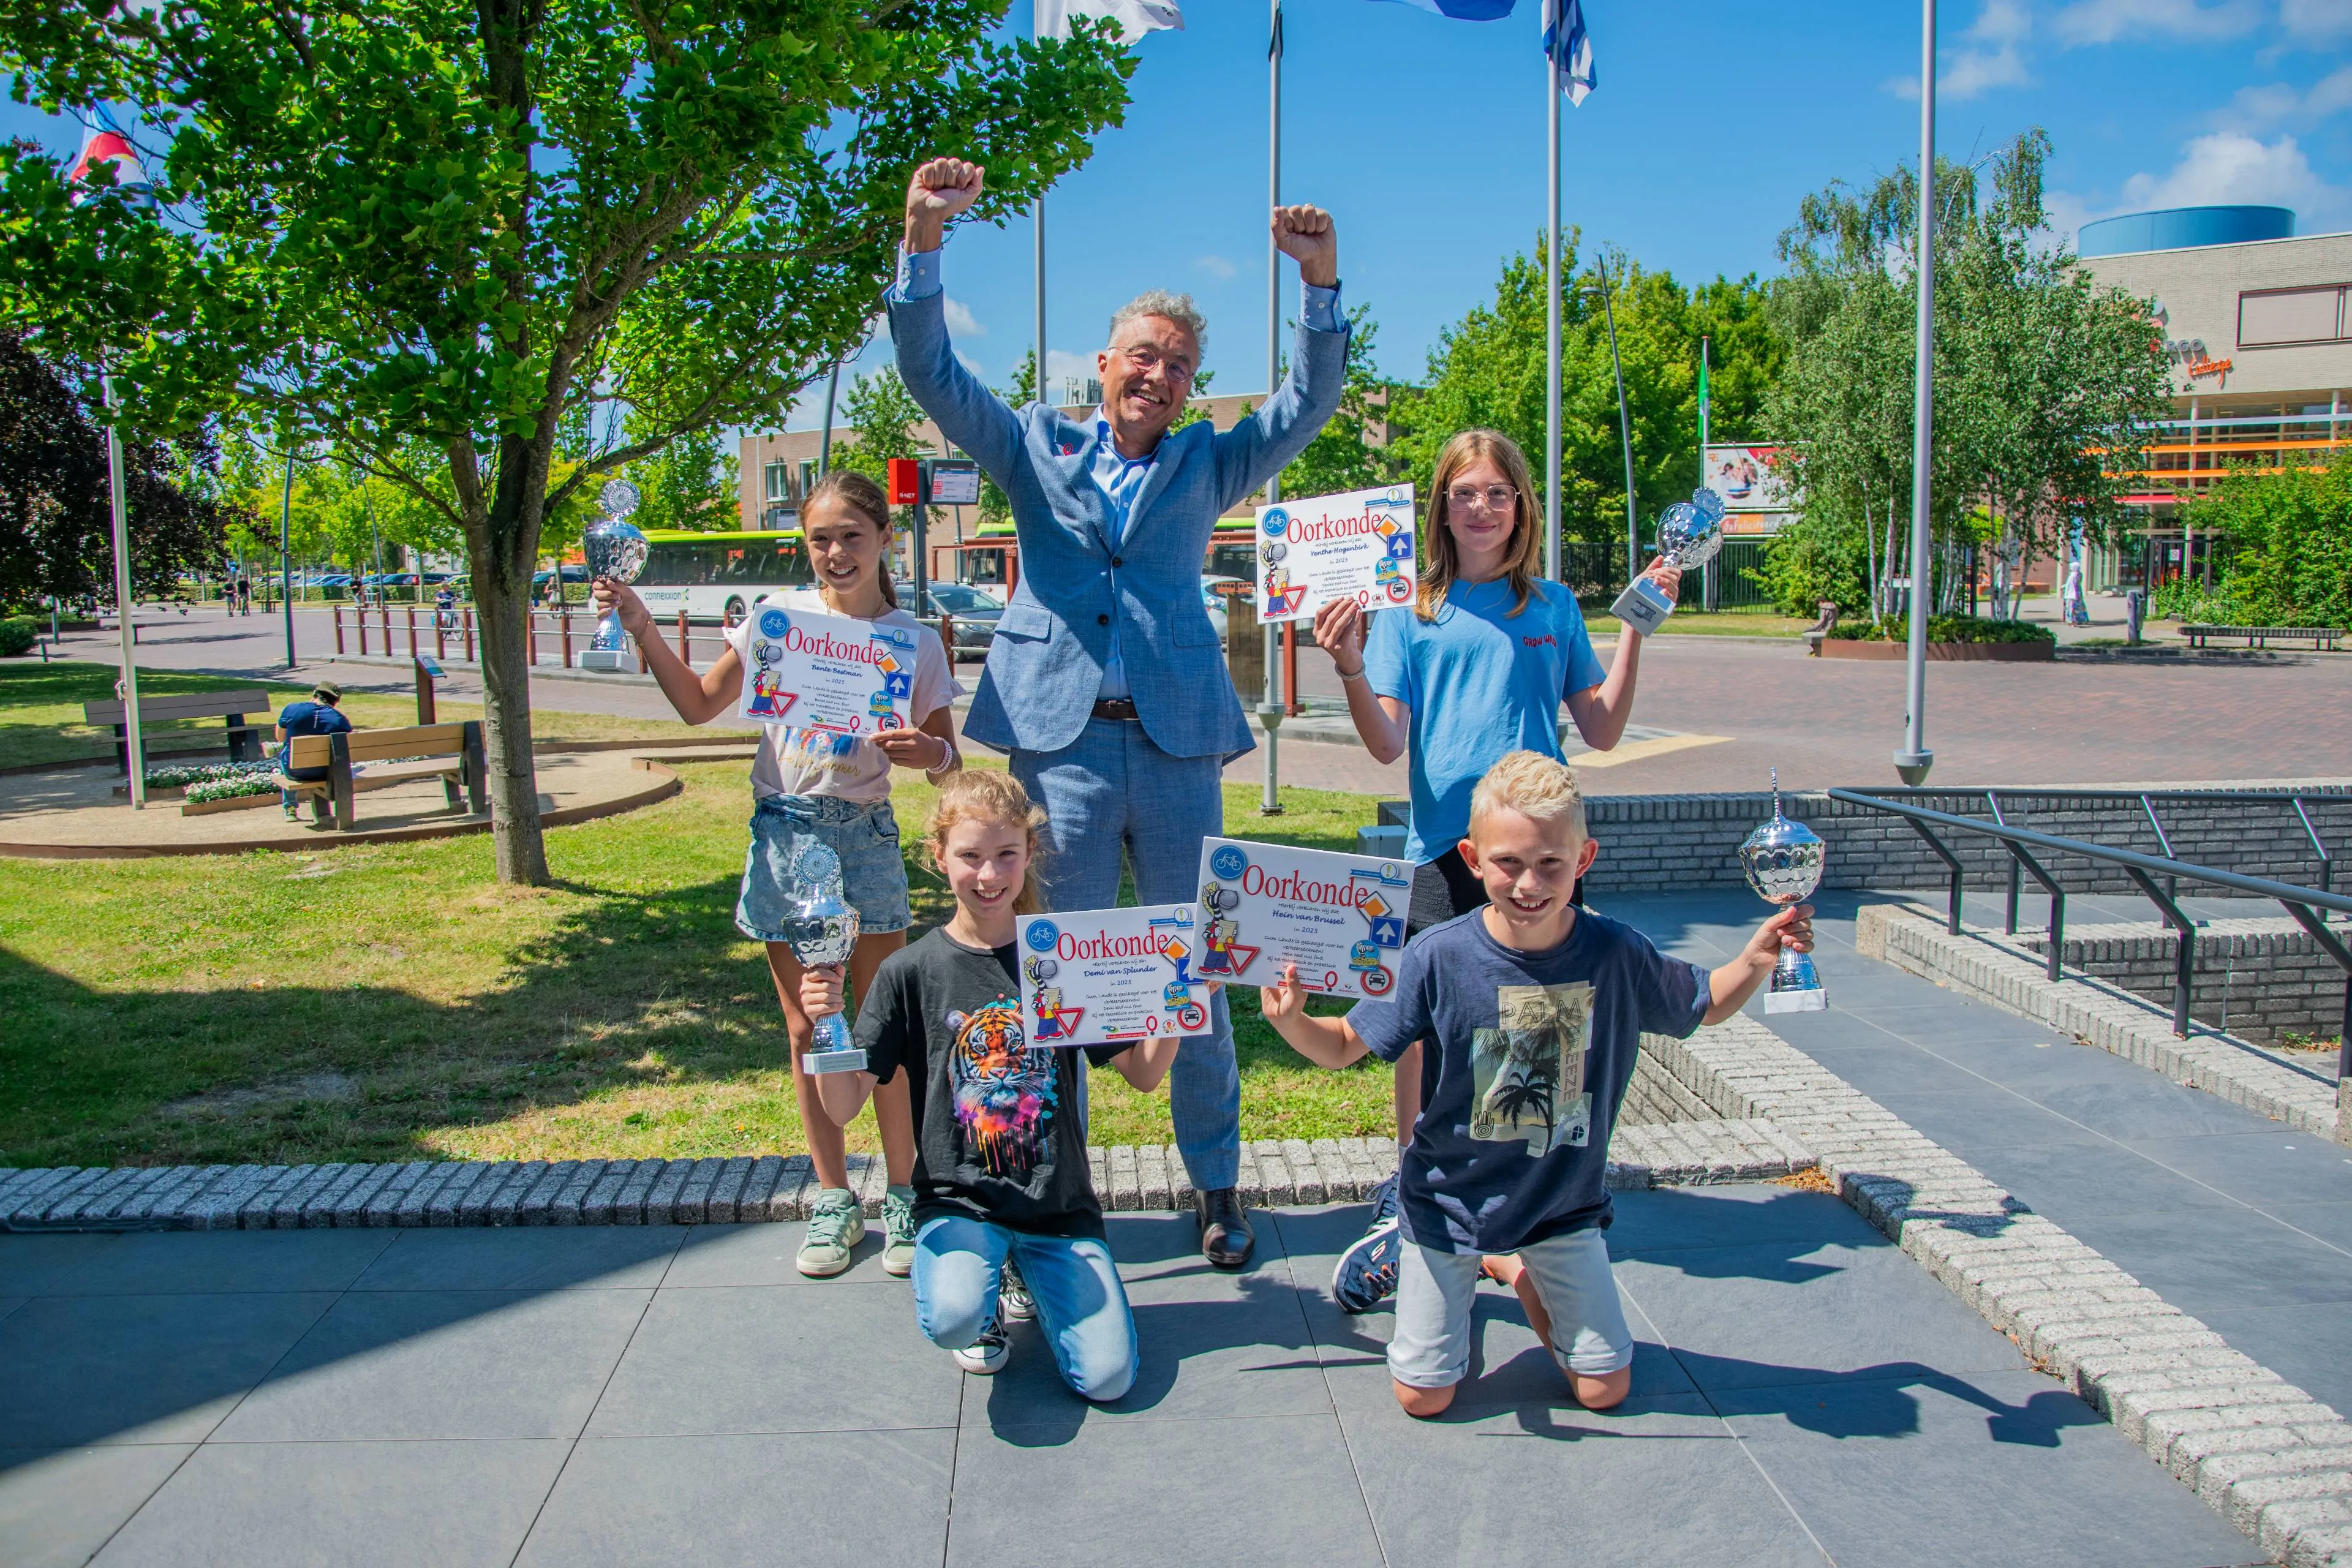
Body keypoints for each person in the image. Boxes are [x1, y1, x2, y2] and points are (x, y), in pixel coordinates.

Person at [889, 155, 1348, 1270]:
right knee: (1060, 981)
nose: (1160, 374)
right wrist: (924, 239)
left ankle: (1217, 1188)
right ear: (1103, 364)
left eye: (1179, 365)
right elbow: (933, 372)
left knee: (1198, 970)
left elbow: (1307, 404)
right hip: (1061, 749)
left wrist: (1320, 284)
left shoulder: (1209, 461)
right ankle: (1059, 1198)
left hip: (1179, 743)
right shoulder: (1031, 444)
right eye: (1144, 355)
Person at [1259, 750, 1812, 1417]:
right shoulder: (1438, 955)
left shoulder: (1616, 952)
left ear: (1584, 859)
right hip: (1447, 1204)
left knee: (1604, 1390)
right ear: (1472, 859)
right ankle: (1453, 1252)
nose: (1530, 883)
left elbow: (1706, 1003)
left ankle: (1510, 1264)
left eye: (1551, 862)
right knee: (1423, 1397)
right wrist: (1293, 1022)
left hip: (1561, 1207)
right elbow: (1344, 1044)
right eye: (1509, 862)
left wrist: (1755, 958)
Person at [1309, 428, 1681, 1314]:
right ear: (1440, 508)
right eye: (1465, 493)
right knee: (1425, 1029)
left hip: (1538, 854)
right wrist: (1351, 666)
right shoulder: (1408, 612)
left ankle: (1525, 1207)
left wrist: (1635, 630)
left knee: (1534, 1027)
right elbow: (1386, 742)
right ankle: (1413, 1192)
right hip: (1444, 851)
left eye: (1499, 493)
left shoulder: (1553, 606)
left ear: (1522, 507)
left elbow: (1602, 730)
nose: (1482, 507)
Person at [592, 469, 961, 1279]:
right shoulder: (776, 621)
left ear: (885, 539)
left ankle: (905, 1194)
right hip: (786, 838)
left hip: (866, 837)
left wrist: (927, 751)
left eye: (851, 537)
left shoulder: (913, 642)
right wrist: (640, 624)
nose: (835, 553)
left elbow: (949, 762)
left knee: (883, 1024)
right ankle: (834, 1199)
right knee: (807, 1029)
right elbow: (698, 704)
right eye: (820, 539)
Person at [800, 770, 1181, 1394]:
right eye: (970, 856)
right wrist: (828, 1025)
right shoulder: (908, 972)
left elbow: (1143, 1074)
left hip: (1056, 1207)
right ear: (939, 856)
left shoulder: (1061, 958)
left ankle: (1024, 1270)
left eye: (1006, 854)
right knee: (953, 1318)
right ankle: (979, 1296)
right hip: (960, 1203)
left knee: (1109, 1380)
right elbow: (842, 1108)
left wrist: (1176, 1009)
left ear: (1030, 852)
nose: (989, 874)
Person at [274, 681, 352, 821]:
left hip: (295, 772)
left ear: (315, 694)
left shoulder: (293, 709)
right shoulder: (340, 719)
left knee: (286, 753)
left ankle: (290, 808)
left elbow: (280, 736)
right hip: (326, 772)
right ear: (336, 702)